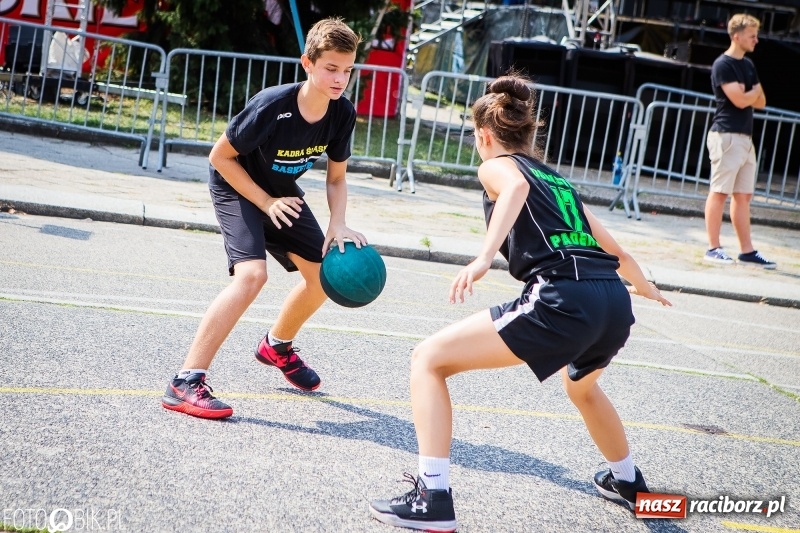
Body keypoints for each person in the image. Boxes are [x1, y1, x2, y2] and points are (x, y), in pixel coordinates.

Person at [369, 74, 672, 532]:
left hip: (563, 295)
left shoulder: (498, 165)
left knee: (428, 360)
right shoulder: (560, 181)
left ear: (485, 135)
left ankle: (433, 498)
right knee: (583, 388)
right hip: (612, 299)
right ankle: (630, 483)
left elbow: (513, 189)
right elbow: (619, 254)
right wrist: (644, 286)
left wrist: (483, 258)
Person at [161, 17, 367, 419]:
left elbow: (337, 178)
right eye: (331, 68)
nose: (340, 78)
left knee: (324, 275)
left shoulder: (341, 114)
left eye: (347, 70)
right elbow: (219, 158)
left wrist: (337, 223)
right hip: (237, 184)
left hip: (282, 194)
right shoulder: (273, 105)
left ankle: (276, 345)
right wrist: (265, 202)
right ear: (307, 63)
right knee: (252, 275)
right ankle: (184, 381)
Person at [703, 13, 776, 269]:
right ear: (737, 36)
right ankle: (713, 247)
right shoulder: (723, 65)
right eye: (751, 35)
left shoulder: (748, 65)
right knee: (720, 192)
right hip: (727, 135)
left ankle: (747, 251)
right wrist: (752, 93)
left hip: (744, 137)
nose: (756, 40)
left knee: (743, 196)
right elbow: (742, 100)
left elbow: (761, 101)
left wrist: (751, 93)